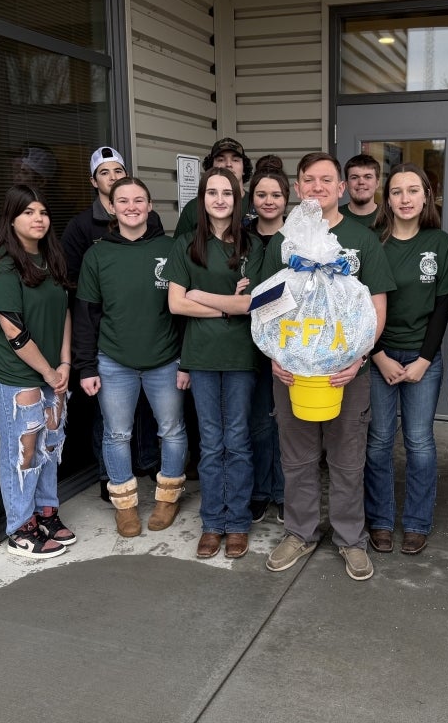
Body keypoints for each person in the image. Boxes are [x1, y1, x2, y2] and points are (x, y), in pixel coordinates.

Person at [264, 152, 395, 582]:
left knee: (346, 457)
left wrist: (359, 358)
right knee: (297, 457)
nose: (317, 187)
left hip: (347, 370)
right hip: (291, 369)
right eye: (308, 180)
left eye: (326, 180)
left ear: (341, 188)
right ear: (298, 188)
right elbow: (265, 306)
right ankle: (299, 532)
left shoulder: (363, 239)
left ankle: (350, 539)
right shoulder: (283, 240)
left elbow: (376, 307)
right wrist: (274, 358)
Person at [73, 177, 189, 537]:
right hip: (114, 361)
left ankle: (167, 497)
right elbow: (86, 315)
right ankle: (125, 506)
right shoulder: (98, 255)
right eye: (122, 201)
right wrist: (86, 367)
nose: (131, 206)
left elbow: (184, 312)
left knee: (171, 430)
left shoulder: (173, 249)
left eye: (139, 200)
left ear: (150, 206)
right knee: (117, 434)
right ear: (111, 207)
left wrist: (186, 361)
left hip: (166, 359)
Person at [166, 167, 264, 560]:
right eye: (212, 193)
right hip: (202, 357)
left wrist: (201, 295)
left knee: (237, 440)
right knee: (210, 442)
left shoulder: (252, 247)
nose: (220, 199)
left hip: (241, 356)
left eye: (227, 193)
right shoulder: (188, 245)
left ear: (237, 199)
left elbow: (250, 305)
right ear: (202, 199)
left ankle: (237, 522)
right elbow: (175, 303)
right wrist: (228, 306)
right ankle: (212, 523)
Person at [0, 185, 74, 559]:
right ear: (12, 219)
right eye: (28, 212)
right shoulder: (1, 265)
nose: (38, 219)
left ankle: (46, 512)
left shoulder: (51, 258)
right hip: (13, 375)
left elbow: (64, 309)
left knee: (51, 441)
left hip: (50, 369)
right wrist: (50, 373)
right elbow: (13, 330)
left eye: (43, 212)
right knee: (24, 448)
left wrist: (64, 363)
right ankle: (20, 527)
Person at [61, 147, 164, 501]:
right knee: (110, 418)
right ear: (95, 181)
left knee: (148, 409)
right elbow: (75, 284)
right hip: (108, 335)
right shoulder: (80, 227)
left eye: (118, 170)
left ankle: (148, 461)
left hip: (149, 334)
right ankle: (110, 478)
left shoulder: (150, 222)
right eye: (105, 172)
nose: (113, 176)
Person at [364, 164, 448, 555]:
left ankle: (417, 522)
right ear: (388, 199)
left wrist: (424, 359)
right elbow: (359, 307)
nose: (404, 199)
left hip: (422, 357)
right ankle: (381, 520)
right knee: (380, 441)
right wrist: (378, 355)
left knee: (419, 442)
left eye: (413, 191)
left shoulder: (439, 241)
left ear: (426, 196)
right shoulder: (373, 242)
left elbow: (442, 305)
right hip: (378, 356)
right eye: (397, 192)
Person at [245, 156, 289, 524]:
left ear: (286, 199)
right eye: (262, 194)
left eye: (276, 194)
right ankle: (261, 490)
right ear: (252, 198)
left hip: (292, 343)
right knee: (259, 421)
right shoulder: (239, 237)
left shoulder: (298, 238)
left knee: (289, 424)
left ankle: (285, 492)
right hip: (249, 345)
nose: (269, 200)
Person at [174, 138, 253, 237]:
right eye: (221, 159)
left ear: (244, 168)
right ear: (211, 167)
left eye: (235, 160)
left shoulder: (257, 204)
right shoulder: (193, 208)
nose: (228, 164)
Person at [338, 154, 381, 228]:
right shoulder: (335, 216)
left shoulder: (390, 217)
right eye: (354, 177)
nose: (361, 182)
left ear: (377, 183)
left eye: (368, 177)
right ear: (346, 184)